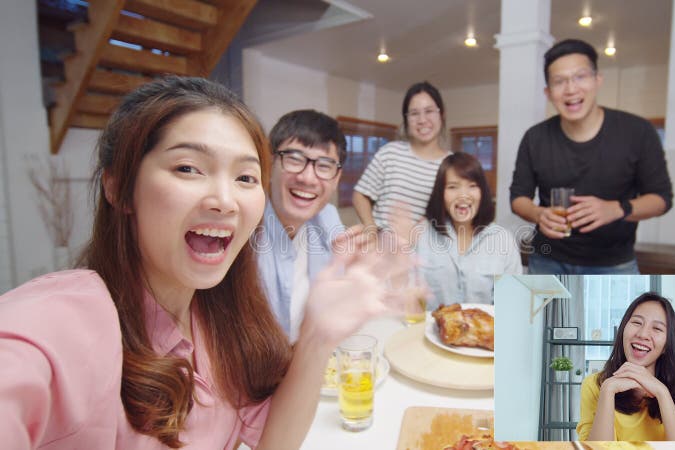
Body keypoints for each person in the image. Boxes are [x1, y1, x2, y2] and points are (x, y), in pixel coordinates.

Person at [0, 77, 413, 449]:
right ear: (120, 187)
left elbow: (272, 441)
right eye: (188, 168)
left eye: (244, 177)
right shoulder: (65, 322)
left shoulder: (223, 321)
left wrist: (318, 335)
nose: (225, 200)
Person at [509, 38, 672, 274]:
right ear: (548, 92)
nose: (571, 89)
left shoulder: (637, 131)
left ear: (597, 80)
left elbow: (661, 199)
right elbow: (518, 198)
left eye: (580, 77)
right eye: (559, 81)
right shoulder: (535, 138)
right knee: (545, 314)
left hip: (614, 264)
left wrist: (618, 209)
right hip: (546, 261)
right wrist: (538, 214)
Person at [256, 109, 347, 342]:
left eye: (324, 166)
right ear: (270, 163)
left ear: (336, 178)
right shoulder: (244, 225)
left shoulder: (327, 217)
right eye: (294, 159)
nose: (308, 178)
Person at [577, 292, 675, 441]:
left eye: (657, 328)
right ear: (623, 330)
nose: (643, 334)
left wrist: (662, 393)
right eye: (637, 323)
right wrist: (607, 391)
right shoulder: (594, 384)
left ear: (666, 345)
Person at [415, 153, 522, 308]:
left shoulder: (503, 239)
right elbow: (408, 296)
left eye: (472, 186)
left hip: (485, 330)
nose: (463, 196)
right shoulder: (422, 235)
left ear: (482, 192)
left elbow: (513, 302)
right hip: (433, 329)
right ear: (441, 193)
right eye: (452, 187)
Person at [353, 81, 450, 230]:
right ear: (406, 119)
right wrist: (371, 229)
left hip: (424, 251)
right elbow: (360, 195)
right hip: (379, 248)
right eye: (414, 113)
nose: (422, 120)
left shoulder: (452, 165)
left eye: (429, 111)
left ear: (441, 115)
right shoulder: (389, 153)